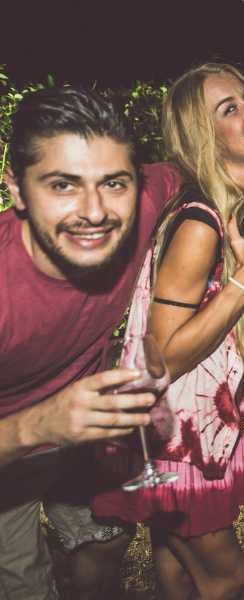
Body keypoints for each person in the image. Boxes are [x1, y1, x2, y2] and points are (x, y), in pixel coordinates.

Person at [90, 63, 244, 600]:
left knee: (177, 574)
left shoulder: (224, 210)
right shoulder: (201, 223)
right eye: (230, 109)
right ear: (206, 137)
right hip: (175, 438)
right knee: (228, 580)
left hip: (170, 430)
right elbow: (165, 353)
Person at [0, 86, 182, 600]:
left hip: (81, 439)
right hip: (9, 447)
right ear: (17, 189)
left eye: (114, 183)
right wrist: (39, 423)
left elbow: (199, 167)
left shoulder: (144, 201)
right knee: (23, 583)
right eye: (63, 185)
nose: (95, 212)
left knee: (105, 546)